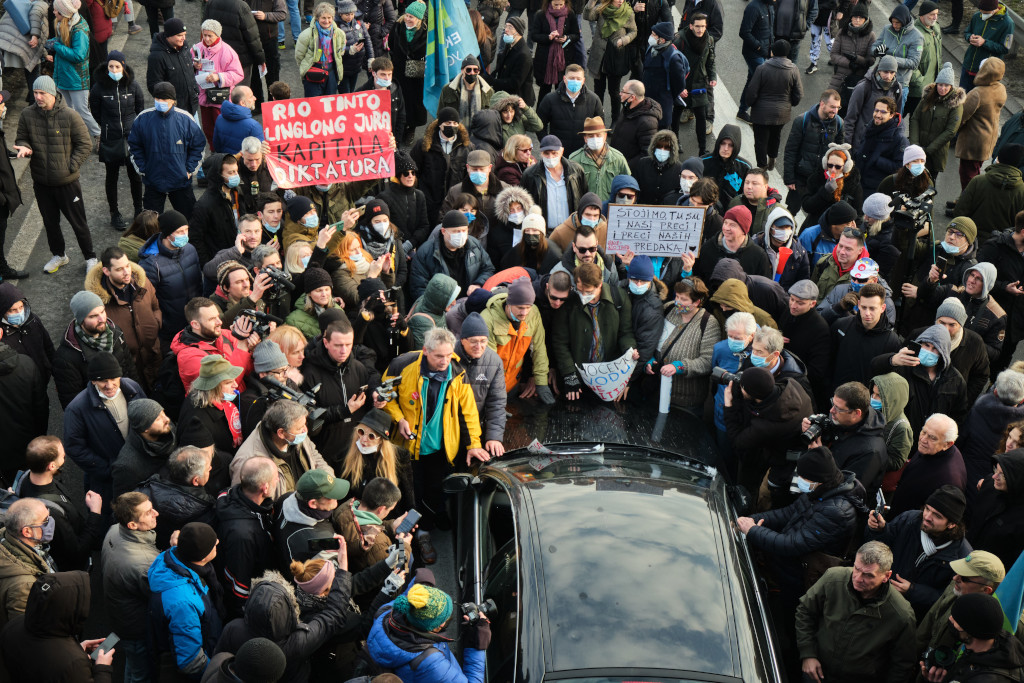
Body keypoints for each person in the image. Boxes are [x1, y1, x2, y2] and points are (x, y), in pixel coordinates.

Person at [383, 328, 488, 527]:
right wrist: (399, 419)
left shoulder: (458, 372)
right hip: (407, 447)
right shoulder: (401, 365)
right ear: (425, 351)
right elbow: (385, 397)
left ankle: (433, 524)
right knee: (411, 491)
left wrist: (474, 444)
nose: (445, 361)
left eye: (449, 355)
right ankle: (414, 530)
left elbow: (469, 412)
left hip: (441, 447)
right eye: (439, 356)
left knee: (436, 489)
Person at [736, 447, 862, 596]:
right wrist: (753, 519)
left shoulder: (836, 512)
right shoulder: (820, 491)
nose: (798, 479)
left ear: (818, 479)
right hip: (788, 564)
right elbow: (787, 513)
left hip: (803, 573)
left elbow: (793, 544)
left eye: (803, 477)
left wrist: (753, 531)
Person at [795, 541, 918, 683]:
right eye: (856, 568)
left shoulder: (901, 615)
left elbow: (902, 666)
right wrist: (808, 654)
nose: (858, 578)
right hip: (816, 671)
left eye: (868, 575)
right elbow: (805, 611)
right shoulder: (833, 578)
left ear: (886, 576)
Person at [13, 76, 95, 275]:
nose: (38, 97)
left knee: (78, 223)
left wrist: (70, 166)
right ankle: (59, 255)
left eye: (42, 93)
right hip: (41, 183)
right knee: (50, 223)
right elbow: (22, 137)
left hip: (67, 183)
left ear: (52, 94)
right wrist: (25, 147)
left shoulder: (70, 116)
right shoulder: (27, 114)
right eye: (35, 93)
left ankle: (90, 258)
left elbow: (85, 144)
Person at [866, 485, 970, 618]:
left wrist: (913, 591)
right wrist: (878, 530)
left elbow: (947, 598)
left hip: (909, 615)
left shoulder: (960, 558)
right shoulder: (909, 519)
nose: (927, 516)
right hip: (879, 595)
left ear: (951, 524)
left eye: (937, 515)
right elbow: (881, 546)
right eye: (927, 509)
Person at [366, 578, 489, 681]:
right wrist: (477, 645)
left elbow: (407, 599)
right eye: (446, 619)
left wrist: (418, 582)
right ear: (437, 627)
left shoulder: (386, 612)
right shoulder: (431, 664)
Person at [0, 571, 116, 679]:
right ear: (69, 609)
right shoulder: (73, 663)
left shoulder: (13, 625)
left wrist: (77, 648)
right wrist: (102, 668)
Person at [63, 352, 144, 506]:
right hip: (109, 482)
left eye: (113, 379)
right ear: (93, 381)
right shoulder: (77, 408)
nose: (109, 385)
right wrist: (108, 469)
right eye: (103, 381)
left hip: (140, 469)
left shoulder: (133, 387)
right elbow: (74, 447)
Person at [148, 522, 224, 680]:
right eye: (212, 542)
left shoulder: (172, 556)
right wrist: (217, 676)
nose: (217, 542)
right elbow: (191, 662)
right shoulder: (183, 604)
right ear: (203, 557)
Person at [551, 262, 638, 400]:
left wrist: (629, 349)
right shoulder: (569, 303)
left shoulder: (619, 298)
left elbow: (625, 332)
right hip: (578, 376)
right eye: (580, 290)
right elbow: (560, 341)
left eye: (589, 292)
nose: (583, 295)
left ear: (600, 285)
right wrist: (569, 374)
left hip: (607, 377)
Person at [725, 366, 812, 502]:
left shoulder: (766, 425)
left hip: (778, 464)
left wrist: (729, 405)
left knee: (763, 495)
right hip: (795, 449)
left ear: (754, 394)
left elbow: (738, 441)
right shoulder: (792, 384)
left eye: (742, 387)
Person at [102, 492, 160, 683]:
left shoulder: (113, 530)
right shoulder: (143, 563)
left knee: (131, 660)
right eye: (148, 512)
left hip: (119, 615)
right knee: (139, 673)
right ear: (132, 525)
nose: (156, 513)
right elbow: (156, 596)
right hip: (135, 627)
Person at [86, 247, 162, 390]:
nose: (127, 272)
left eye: (127, 265)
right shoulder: (98, 303)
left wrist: (156, 324)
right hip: (128, 368)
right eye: (120, 269)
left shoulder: (143, 283)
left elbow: (155, 307)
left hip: (153, 356)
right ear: (107, 271)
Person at [872, 326, 969, 435]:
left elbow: (959, 414)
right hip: (903, 435)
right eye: (926, 345)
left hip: (933, 441)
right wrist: (893, 360)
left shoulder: (955, 379)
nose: (929, 351)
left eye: (935, 348)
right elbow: (875, 367)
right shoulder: (904, 367)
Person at [128, 81, 206, 217]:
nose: (160, 102)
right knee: (151, 227)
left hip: (180, 182)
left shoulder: (185, 119)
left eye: (164, 99)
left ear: (173, 100)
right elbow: (134, 146)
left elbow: (198, 145)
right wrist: (143, 169)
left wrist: (189, 170)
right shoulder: (143, 119)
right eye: (157, 98)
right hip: (153, 182)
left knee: (189, 221)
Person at [214, 456, 278, 619]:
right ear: (265, 488)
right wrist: (245, 617)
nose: (278, 480)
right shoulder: (243, 535)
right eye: (276, 478)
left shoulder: (230, 494)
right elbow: (238, 585)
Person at [89, 51, 145, 229]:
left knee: (135, 175)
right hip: (111, 138)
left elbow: (140, 108)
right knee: (111, 176)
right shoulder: (98, 88)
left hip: (131, 138)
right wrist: (107, 127)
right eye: (110, 66)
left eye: (117, 66)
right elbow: (95, 112)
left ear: (123, 67)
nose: (114, 69)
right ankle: (114, 213)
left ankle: (139, 209)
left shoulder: (133, 86)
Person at [53, 291, 138, 409]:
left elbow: (129, 368)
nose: (102, 319)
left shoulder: (115, 332)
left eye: (102, 311)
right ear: (81, 320)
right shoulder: (66, 357)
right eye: (93, 316)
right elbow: (72, 402)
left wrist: (136, 397)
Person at [138, 211, 203, 346]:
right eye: (180, 232)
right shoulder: (151, 264)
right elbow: (147, 301)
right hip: (170, 330)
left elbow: (198, 282)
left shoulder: (190, 249)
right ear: (168, 235)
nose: (185, 235)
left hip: (195, 321)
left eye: (186, 230)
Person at [338, 410, 414, 512]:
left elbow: (407, 493)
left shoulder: (400, 456)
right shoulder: (348, 454)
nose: (363, 439)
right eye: (361, 432)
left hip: (387, 517)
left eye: (371, 436)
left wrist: (410, 517)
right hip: (356, 515)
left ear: (382, 439)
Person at [745, 40, 804, 171]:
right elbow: (798, 94)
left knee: (760, 140)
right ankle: (772, 159)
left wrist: (750, 103)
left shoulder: (762, 68)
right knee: (775, 136)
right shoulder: (793, 70)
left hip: (761, 113)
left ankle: (761, 166)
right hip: (782, 113)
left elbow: (752, 91)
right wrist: (789, 104)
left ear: (772, 52)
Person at [830, 283, 902, 389]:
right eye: (864, 307)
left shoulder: (892, 341)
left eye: (872, 308)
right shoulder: (841, 325)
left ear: (883, 308)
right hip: (835, 395)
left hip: (865, 401)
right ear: (858, 304)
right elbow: (828, 360)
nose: (867, 313)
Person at [409, 211, 495, 300]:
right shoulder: (426, 252)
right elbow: (419, 288)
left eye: (464, 230)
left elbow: (488, 269)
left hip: (469, 302)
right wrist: (439, 305)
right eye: (456, 231)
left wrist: (478, 284)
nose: (461, 235)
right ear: (443, 231)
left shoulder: (474, 246)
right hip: (441, 308)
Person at [0, 498, 58, 629]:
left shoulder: (5, 535)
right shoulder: (24, 587)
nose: (51, 522)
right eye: (46, 521)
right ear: (27, 531)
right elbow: (28, 634)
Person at [783, 90, 844, 214]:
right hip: (801, 176)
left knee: (816, 212)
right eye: (832, 107)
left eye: (838, 107)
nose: (835, 111)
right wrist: (789, 178)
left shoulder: (839, 123)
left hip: (821, 177)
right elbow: (791, 150)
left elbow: (839, 153)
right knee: (792, 210)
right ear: (822, 104)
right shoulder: (802, 121)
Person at [0, 331, 49, 481]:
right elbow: (41, 409)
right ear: (1, 333)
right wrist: (38, 440)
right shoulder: (26, 364)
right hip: (26, 447)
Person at [410, 108, 473, 223]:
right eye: (448, 123)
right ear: (440, 124)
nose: (452, 126)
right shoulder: (423, 145)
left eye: (455, 123)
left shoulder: (467, 148)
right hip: (429, 202)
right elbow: (414, 170)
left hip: (455, 202)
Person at [191, 20, 245, 150]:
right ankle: (214, 153)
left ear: (218, 35)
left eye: (210, 35)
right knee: (208, 130)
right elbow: (186, 68)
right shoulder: (196, 48)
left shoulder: (228, 51)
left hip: (221, 100)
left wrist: (219, 77)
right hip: (204, 98)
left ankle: (223, 156)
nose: (207, 38)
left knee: (223, 131)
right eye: (204, 35)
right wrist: (193, 66)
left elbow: (238, 74)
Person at [954, 57, 1006, 191]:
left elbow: (962, 116)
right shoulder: (1001, 89)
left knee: (967, 175)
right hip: (988, 138)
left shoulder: (977, 93)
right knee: (975, 171)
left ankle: (967, 203)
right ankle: (965, 199)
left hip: (973, 140)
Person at [953, 145, 1024, 243]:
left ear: (998, 158)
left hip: (971, 239)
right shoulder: (1021, 190)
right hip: (1001, 245)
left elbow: (959, 211)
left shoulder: (978, 181)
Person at [967, 450, 1024, 568]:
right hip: (966, 553)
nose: (994, 476)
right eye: (995, 470)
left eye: (1002, 474)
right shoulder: (989, 484)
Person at [520, 135, 591, 230]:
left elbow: (584, 197)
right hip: (544, 232)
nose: (550, 157)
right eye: (546, 153)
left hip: (571, 230)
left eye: (554, 153)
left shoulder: (576, 171)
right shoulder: (530, 175)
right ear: (541, 153)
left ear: (562, 151)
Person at [909, 62, 964, 182]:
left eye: (946, 85)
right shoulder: (927, 97)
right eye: (940, 85)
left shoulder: (955, 105)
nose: (942, 88)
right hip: (918, 149)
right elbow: (915, 118)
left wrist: (928, 150)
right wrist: (915, 144)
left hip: (935, 154)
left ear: (951, 86)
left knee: (928, 183)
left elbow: (950, 131)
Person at [583, 0, 637, 123]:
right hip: (599, 56)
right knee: (598, 89)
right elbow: (587, 16)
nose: (621, 1)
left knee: (614, 91)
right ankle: (597, 118)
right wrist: (591, 2)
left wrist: (624, 40)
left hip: (615, 56)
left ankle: (615, 120)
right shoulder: (601, 9)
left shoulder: (628, 12)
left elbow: (634, 31)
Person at [779, 280, 831, 403]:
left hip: (798, 389)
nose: (793, 305)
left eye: (800, 303)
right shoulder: (788, 312)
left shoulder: (820, 329)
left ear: (812, 304)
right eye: (791, 299)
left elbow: (817, 371)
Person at [112, 399, 177, 497]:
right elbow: (124, 503)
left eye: (163, 413)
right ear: (145, 428)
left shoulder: (168, 429)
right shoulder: (126, 467)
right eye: (158, 418)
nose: (166, 419)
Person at [536, 64, 604, 155]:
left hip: (584, 153)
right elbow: (539, 125)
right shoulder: (550, 99)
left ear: (583, 80)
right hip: (558, 153)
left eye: (578, 79)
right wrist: (549, 145)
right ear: (564, 79)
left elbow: (600, 127)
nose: (575, 81)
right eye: (571, 78)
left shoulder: (594, 100)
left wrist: (594, 146)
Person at [673, 13, 716, 157]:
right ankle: (675, 141)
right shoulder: (680, 40)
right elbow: (672, 65)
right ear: (691, 26)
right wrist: (679, 87)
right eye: (697, 26)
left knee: (701, 116)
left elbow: (711, 60)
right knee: (676, 113)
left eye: (703, 26)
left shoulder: (709, 39)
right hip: (683, 83)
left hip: (699, 84)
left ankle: (702, 150)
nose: (700, 29)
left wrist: (712, 77)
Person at [692, 206, 772, 282]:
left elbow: (762, 290)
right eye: (725, 223)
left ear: (744, 230)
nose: (726, 228)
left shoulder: (759, 257)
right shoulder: (707, 249)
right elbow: (697, 280)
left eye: (732, 225)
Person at [844, 57, 905, 154]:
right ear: (879, 70)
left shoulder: (897, 89)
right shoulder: (863, 87)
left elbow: (897, 118)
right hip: (861, 144)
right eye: (885, 71)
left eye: (892, 72)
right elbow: (850, 119)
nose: (888, 76)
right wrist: (847, 149)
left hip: (882, 147)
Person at [388, 2, 427, 146]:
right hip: (398, 71)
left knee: (414, 103)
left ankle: (411, 129)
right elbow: (391, 44)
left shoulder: (425, 32)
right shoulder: (398, 27)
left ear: (419, 19)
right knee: (399, 100)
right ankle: (399, 128)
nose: (408, 19)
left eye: (411, 17)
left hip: (416, 74)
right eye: (407, 15)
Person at [855, 96, 909, 196]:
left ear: (891, 115)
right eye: (876, 110)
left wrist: (877, 159)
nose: (878, 115)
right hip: (859, 183)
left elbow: (900, 168)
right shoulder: (869, 128)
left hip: (877, 189)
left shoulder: (899, 139)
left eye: (883, 112)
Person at [0, 282, 54, 382]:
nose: (19, 313)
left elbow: (48, 347)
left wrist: (57, 374)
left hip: (42, 377)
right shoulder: (1, 335)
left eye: (21, 307)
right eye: (12, 310)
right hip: (21, 388)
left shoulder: (33, 320)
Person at [146, 19, 200, 115]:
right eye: (179, 35)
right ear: (168, 36)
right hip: (173, 110)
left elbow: (185, 70)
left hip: (192, 106)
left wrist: (194, 68)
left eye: (184, 34)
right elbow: (153, 85)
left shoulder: (184, 46)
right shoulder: (156, 57)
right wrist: (168, 102)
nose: (183, 38)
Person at [379, 153, 430, 252]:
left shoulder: (419, 195)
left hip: (413, 248)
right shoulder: (384, 197)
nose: (410, 176)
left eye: (413, 173)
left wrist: (410, 244)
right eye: (406, 173)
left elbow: (424, 226)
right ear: (398, 175)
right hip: (392, 248)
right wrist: (399, 248)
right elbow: (384, 226)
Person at [531, 0, 581, 101]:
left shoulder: (570, 14)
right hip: (545, 60)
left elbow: (576, 35)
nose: (558, 7)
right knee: (544, 91)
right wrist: (548, 37)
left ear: (565, 3)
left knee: (562, 91)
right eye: (555, 5)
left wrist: (566, 37)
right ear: (549, 3)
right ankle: (542, 115)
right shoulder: (541, 14)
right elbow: (534, 35)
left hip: (563, 60)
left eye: (561, 5)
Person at [828, 4, 876, 109]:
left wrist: (857, 59)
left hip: (858, 79)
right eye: (855, 17)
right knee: (830, 106)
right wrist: (849, 63)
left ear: (865, 19)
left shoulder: (871, 36)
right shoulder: (842, 32)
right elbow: (833, 54)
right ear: (851, 18)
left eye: (860, 18)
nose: (857, 20)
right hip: (839, 76)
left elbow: (871, 59)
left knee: (852, 110)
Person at [959, 0, 1014, 91]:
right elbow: (967, 32)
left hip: (986, 71)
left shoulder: (1007, 23)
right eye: (981, 11)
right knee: (962, 98)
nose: (982, 15)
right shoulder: (977, 16)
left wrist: (984, 42)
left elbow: (1004, 49)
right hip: (968, 65)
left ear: (994, 9)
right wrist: (969, 37)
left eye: (985, 13)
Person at [735, 0, 774, 124]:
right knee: (762, 81)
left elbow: (770, 31)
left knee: (752, 80)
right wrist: (759, 47)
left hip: (764, 52)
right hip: (753, 53)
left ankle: (742, 111)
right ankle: (759, 114)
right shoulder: (753, 7)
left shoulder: (770, 6)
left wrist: (771, 48)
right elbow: (744, 32)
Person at [296, 2, 345, 97]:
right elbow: (299, 56)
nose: (327, 21)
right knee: (314, 104)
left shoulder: (339, 33)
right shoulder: (306, 35)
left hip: (331, 72)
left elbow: (341, 51)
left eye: (329, 18)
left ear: (333, 18)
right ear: (317, 18)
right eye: (323, 18)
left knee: (329, 103)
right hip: (313, 70)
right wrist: (307, 68)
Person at [872, 5, 923, 93]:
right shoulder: (887, 29)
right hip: (880, 80)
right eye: (892, 22)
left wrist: (890, 59)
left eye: (897, 22)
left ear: (904, 21)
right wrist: (876, 51)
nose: (894, 25)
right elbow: (873, 47)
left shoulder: (917, 37)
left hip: (899, 84)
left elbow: (914, 63)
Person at [609, 80, 661, 166]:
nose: (620, 94)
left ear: (632, 98)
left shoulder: (647, 123)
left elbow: (646, 154)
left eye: (623, 91)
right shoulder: (627, 108)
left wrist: (625, 167)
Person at [358, 57, 407, 143]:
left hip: (389, 141)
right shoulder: (361, 93)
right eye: (383, 74)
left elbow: (401, 117)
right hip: (369, 141)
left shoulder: (395, 89)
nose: (387, 78)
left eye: (389, 74)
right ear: (373, 73)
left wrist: (397, 141)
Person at [906, 1, 942, 119]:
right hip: (915, 90)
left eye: (936, 14)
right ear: (922, 15)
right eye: (931, 14)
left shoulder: (935, 28)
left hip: (930, 88)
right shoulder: (914, 33)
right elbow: (909, 60)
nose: (935, 17)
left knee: (918, 122)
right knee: (901, 117)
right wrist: (920, 82)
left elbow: (938, 55)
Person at [811, 228, 869, 302]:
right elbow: (811, 292)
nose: (842, 252)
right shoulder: (824, 262)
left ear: (860, 251)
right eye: (840, 246)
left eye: (848, 249)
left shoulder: (867, 277)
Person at [700, 125, 752, 204]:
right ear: (718, 143)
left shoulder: (745, 167)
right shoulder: (703, 162)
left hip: (731, 210)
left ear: (736, 147)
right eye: (723, 143)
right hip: (706, 206)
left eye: (730, 145)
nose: (726, 148)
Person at [491, 17, 534, 107]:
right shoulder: (510, 45)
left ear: (519, 31)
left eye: (510, 27)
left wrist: (492, 82)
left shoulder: (523, 55)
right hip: (507, 96)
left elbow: (514, 84)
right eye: (506, 26)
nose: (506, 30)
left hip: (518, 101)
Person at [335, 0, 373, 94]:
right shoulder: (336, 26)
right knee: (346, 95)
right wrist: (350, 50)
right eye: (347, 14)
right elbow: (334, 48)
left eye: (352, 14)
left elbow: (367, 39)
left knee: (351, 93)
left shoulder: (359, 22)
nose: (350, 17)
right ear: (340, 14)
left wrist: (371, 58)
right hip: (343, 69)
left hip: (356, 67)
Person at [212, 86, 262, 155]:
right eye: (251, 96)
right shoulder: (254, 126)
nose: (255, 98)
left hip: (226, 161)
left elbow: (216, 145)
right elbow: (259, 152)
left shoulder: (220, 118)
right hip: (244, 163)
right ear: (242, 103)